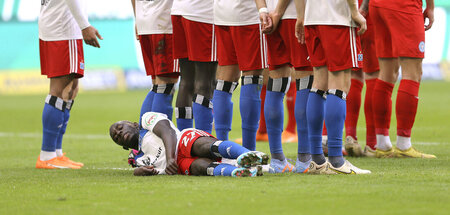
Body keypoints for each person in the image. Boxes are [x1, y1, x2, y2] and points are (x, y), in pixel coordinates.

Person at [294, 0, 371, 174]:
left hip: (312, 18)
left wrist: (300, 16)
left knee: (319, 83)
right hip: (338, 18)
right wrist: (354, 11)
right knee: (340, 82)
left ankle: (317, 160)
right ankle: (337, 161)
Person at [36, 0, 102, 169]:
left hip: (63, 27)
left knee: (71, 89)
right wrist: (84, 25)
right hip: (62, 29)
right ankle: (47, 154)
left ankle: (56, 153)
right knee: (60, 89)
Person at [369, 0, 436, 158]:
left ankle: (382, 145)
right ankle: (404, 145)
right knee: (413, 72)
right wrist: (431, 7)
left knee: (387, 73)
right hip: (403, 6)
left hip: (377, 6)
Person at [109, 112, 269, 177]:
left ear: (134, 124)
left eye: (119, 128)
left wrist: (170, 157)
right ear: (123, 147)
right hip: (178, 164)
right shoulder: (138, 160)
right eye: (116, 137)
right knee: (200, 167)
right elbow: (154, 171)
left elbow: (167, 131)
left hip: (181, 141)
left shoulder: (146, 120)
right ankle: (238, 172)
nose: (118, 133)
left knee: (202, 146)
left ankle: (248, 154)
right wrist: (139, 172)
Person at [254, 0, 313, 173]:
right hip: (292, 15)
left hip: (270, 19)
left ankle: (278, 160)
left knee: (276, 84)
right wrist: (280, 12)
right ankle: (304, 160)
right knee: (306, 81)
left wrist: (264, 11)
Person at [212, 0, 266, 153]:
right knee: (252, 76)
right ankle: (249, 151)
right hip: (247, 14)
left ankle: (222, 148)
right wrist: (263, 9)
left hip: (221, 13)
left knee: (225, 78)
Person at [171, 0, 217, 133]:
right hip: (202, 14)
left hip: (178, 11)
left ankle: (185, 142)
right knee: (205, 82)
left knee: (186, 82)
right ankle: (204, 141)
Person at [131, 0, 179, 125]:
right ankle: (158, 138)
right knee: (166, 84)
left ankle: (144, 137)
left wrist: (137, 17)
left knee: (158, 85)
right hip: (164, 23)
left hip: (145, 22)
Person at [343, 0, 379, 157]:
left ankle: (351, 136)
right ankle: (372, 144)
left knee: (353, 74)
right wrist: (365, 6)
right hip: (367, 12)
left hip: (346, 12)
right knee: (373, 75)